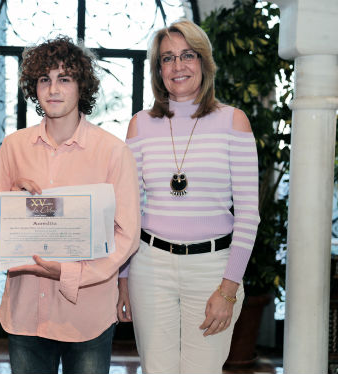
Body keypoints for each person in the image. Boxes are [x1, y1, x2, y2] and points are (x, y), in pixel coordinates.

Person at [0, 36, 140, 374]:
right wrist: (10, 201)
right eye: (44, 79)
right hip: (25, 313)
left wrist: (71, 273)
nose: (53, 89)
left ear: (82, 86)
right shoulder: (14, 146)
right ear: (34, 87)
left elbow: (127, 236)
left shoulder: (113, 152)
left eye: (64, 78)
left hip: (88, 313)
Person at [116, 19, 260, 374]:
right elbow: (129, 211)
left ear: (204, 62)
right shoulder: (139, 125)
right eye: (167, 58)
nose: (178, 66)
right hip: (150, 267)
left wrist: (228, 289)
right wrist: (122, 279)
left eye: (188, 55)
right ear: (158, 69)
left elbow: (248, 215)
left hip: (213, 269)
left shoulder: (234, 122)